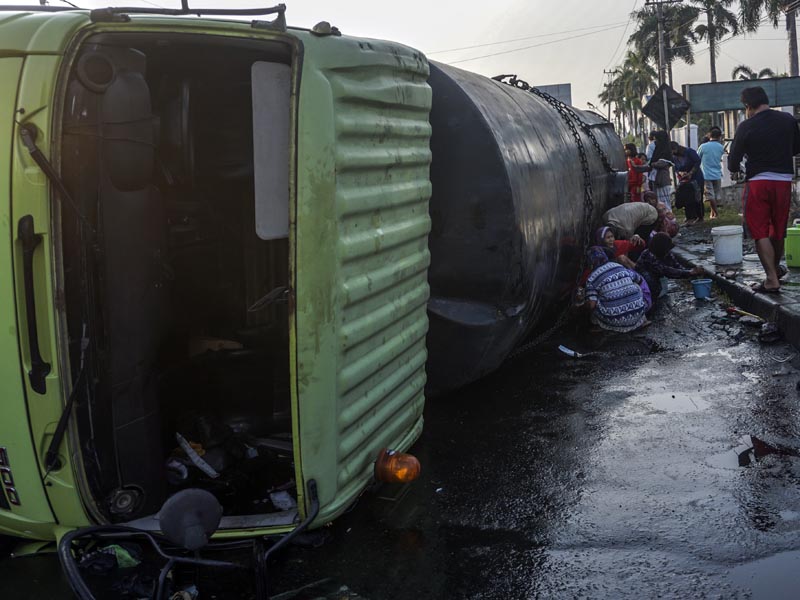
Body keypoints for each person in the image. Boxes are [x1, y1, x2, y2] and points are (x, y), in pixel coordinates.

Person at [728, 86, 800, 293]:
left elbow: (733, 163)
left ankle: (771, 279)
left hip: (759, 182)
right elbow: (797, 147)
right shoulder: (788, 120)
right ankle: (775, 270)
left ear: (747, 106)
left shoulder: (746, 126)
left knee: (759, 232)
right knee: (778, 231)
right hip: (784, 181)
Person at [584, 246, 650, 332]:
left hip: (614, 320)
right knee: (635, 285)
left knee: (593, 299)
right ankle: (643, 320)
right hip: (637, 314)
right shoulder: (619, 266)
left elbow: (591, 305)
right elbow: (639, 279)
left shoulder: (592, 278)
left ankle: (601, 325)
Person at [636, 232, 704, 300]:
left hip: (657, 277)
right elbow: (666, 271)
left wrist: (690, 271)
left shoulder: (666, 253)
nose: (668, 251)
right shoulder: (648, 256)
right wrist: (689, 272)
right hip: (644, 281)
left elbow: (676, 265)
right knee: (650, 280)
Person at [635, 130, 674, 209]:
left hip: (662, 182)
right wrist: (636, 167)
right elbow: (649, 166)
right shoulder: (657, 150)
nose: (655, 142)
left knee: (665, 203)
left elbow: (661, 163)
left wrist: (652, 164)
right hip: (655, 181)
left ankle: (669, 220)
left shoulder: (666, 151)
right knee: (658, 203)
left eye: (657, 140)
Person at [671, 141, 705, 224]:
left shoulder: (689, 152)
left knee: (697, 198)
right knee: (686, 198)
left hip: (696, 178)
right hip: (684, 180)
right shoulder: (674, 157)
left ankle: (700, 216)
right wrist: (680, 173)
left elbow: (697, 161)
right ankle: (689, 216)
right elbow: (675, 167)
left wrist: (691, 172)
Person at [698, 127, 724, 219]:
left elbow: (697, 158)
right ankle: (712, 214)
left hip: (706, 174)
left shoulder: (703, 146)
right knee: (716, 195)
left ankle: (716, 214)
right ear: (720, 136)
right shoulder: (721, 147)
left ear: (709, 135)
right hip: (717, 173)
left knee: (710, 195)